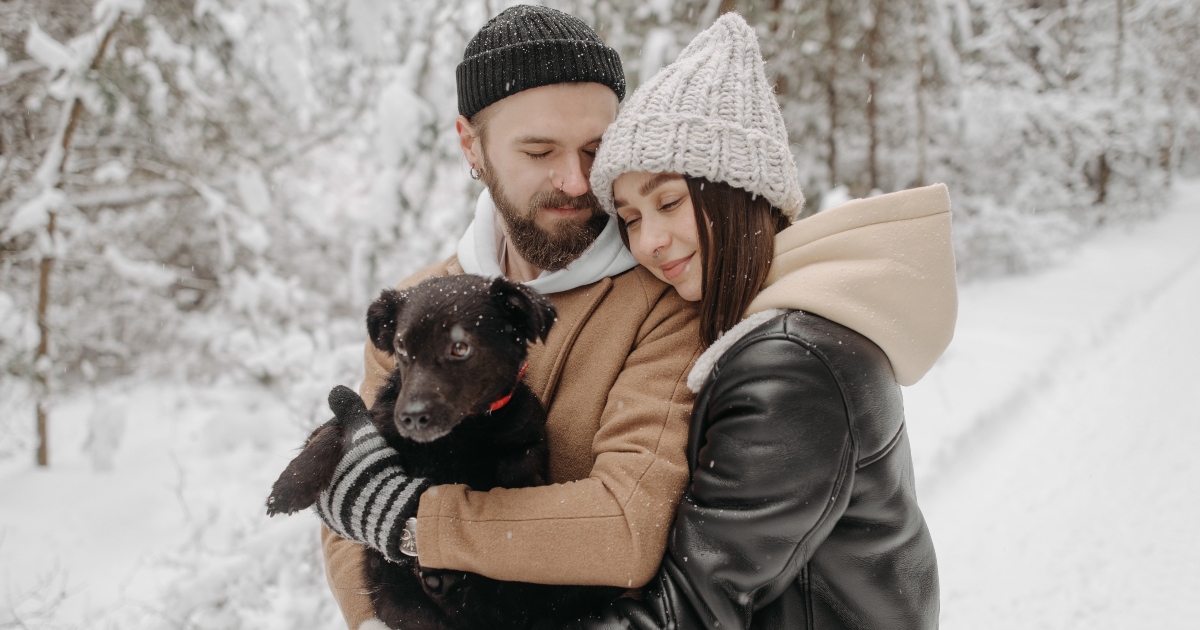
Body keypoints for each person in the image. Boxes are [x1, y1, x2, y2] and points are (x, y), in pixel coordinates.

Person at [316, 6, 703, 629]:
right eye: (540, 150)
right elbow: (351, 506)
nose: (575, 181)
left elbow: (628, 528)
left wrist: (416, 525)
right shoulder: (419, 306)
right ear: (471, 144)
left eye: (595, 150)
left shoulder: (661, 300)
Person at [570, 13, 957, 629]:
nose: (650, 241)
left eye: (668, 201)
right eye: (631, 217)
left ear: (739, 192)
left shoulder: (791, 364)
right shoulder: (799, 329)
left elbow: (690, 611)